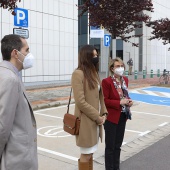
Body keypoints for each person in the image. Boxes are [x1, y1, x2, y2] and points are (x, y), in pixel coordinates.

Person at [0, 34, 38, 170]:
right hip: (16, 159)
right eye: (26, 50)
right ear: (15, 53)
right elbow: (2, 126)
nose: (29, 55)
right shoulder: (10, 79)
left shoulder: (6, 73)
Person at [71, 45, 108, 170]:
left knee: (91, 153)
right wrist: (97, 117)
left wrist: (104, 113)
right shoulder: (78, 74)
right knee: (86, 154)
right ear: (86, 56)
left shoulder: (93, 73)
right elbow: (80, 102)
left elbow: (101, 96)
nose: (96, 57)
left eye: (97, 55)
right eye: (93, 55)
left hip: (95, 121)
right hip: (86, 121)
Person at [102, 58, 133, 170]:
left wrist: (129, 101)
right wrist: (119, 102)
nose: (120, 68)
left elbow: (125, 95)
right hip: (111, 118)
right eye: (117, 66)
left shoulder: (125, 80)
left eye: (121, 65)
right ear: (112, 68)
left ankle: (116, 167)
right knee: (110, 147)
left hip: (122, 116)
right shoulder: (106, 82)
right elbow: (105, 101)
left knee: (118, 146)